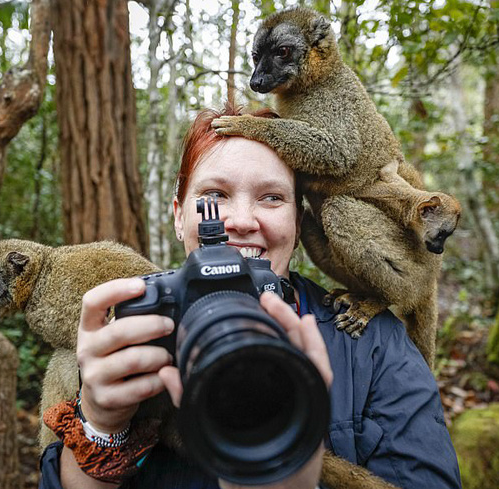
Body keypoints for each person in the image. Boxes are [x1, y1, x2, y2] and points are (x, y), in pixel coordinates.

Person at [39, 104, 462, 489]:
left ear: (299, 223)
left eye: (271, 198)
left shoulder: (374, 345)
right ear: (179, 215)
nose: (241, 221)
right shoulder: (133, 333)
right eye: (213, 197)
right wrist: (100, 427)